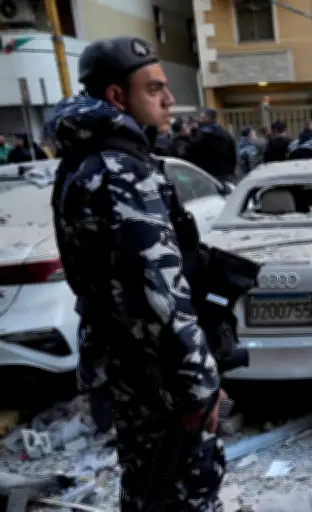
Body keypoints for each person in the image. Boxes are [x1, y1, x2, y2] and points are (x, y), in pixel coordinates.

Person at [44, 36, 225, 511]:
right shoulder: (123, 169)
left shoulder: (84, 162)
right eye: (154, 90)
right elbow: (159, 292)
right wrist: (200, 384)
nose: (169, 100)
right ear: (117, 98)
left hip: (129, 364)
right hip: (157, 373)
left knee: (147, 485)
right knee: (184, 488)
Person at [185, 108, 237, 182]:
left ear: (207, 118)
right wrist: (231, 171)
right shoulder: (226, 134)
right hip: (225, 173)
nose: (199, 119)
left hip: (207, 175)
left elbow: (192, 150)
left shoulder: (202, 135)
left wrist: (193, 131)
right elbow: (233, 155)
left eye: (202, 117)